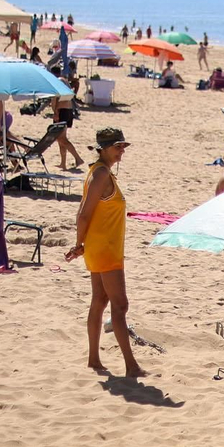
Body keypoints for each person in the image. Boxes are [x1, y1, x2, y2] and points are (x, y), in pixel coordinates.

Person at [66, 128, 146, 378]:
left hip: (103, 247)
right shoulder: (100, 174)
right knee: (120, 305)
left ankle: (94, 360)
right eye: (117, 147)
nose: (121, 151)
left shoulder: (101, 172)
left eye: (123, 146)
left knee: (100, 301)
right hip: (104, 250)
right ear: (102, 149)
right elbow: (83, 213)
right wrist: (79, 244)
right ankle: (131, 366)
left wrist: (82, 244)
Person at [48, 67, 84, 171]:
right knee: (61, 138)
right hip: (68, 111)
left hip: (61, 111)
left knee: (61, 138)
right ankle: (63, 163)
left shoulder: (57, 81)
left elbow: (55, 98)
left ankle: (78, 158)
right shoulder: (65, 81)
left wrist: (55, 112)